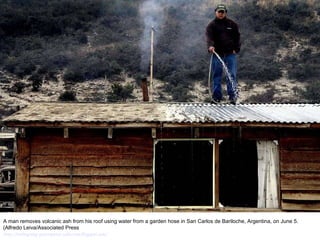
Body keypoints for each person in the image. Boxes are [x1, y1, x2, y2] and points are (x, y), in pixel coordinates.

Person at [206, 4, 241, 104]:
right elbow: (209, 38)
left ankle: (233, 97)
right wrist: (210, 46)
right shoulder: (211, 25)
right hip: (217, 53)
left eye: (223, 12)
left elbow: (237, 37)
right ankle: (216, 97)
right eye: (219, 12)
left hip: (230, 53)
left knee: (231, 75)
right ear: (215, 12)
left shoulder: (232, 24)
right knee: (217, 75)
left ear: (225, 13)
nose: (221, 13)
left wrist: (236, 49)